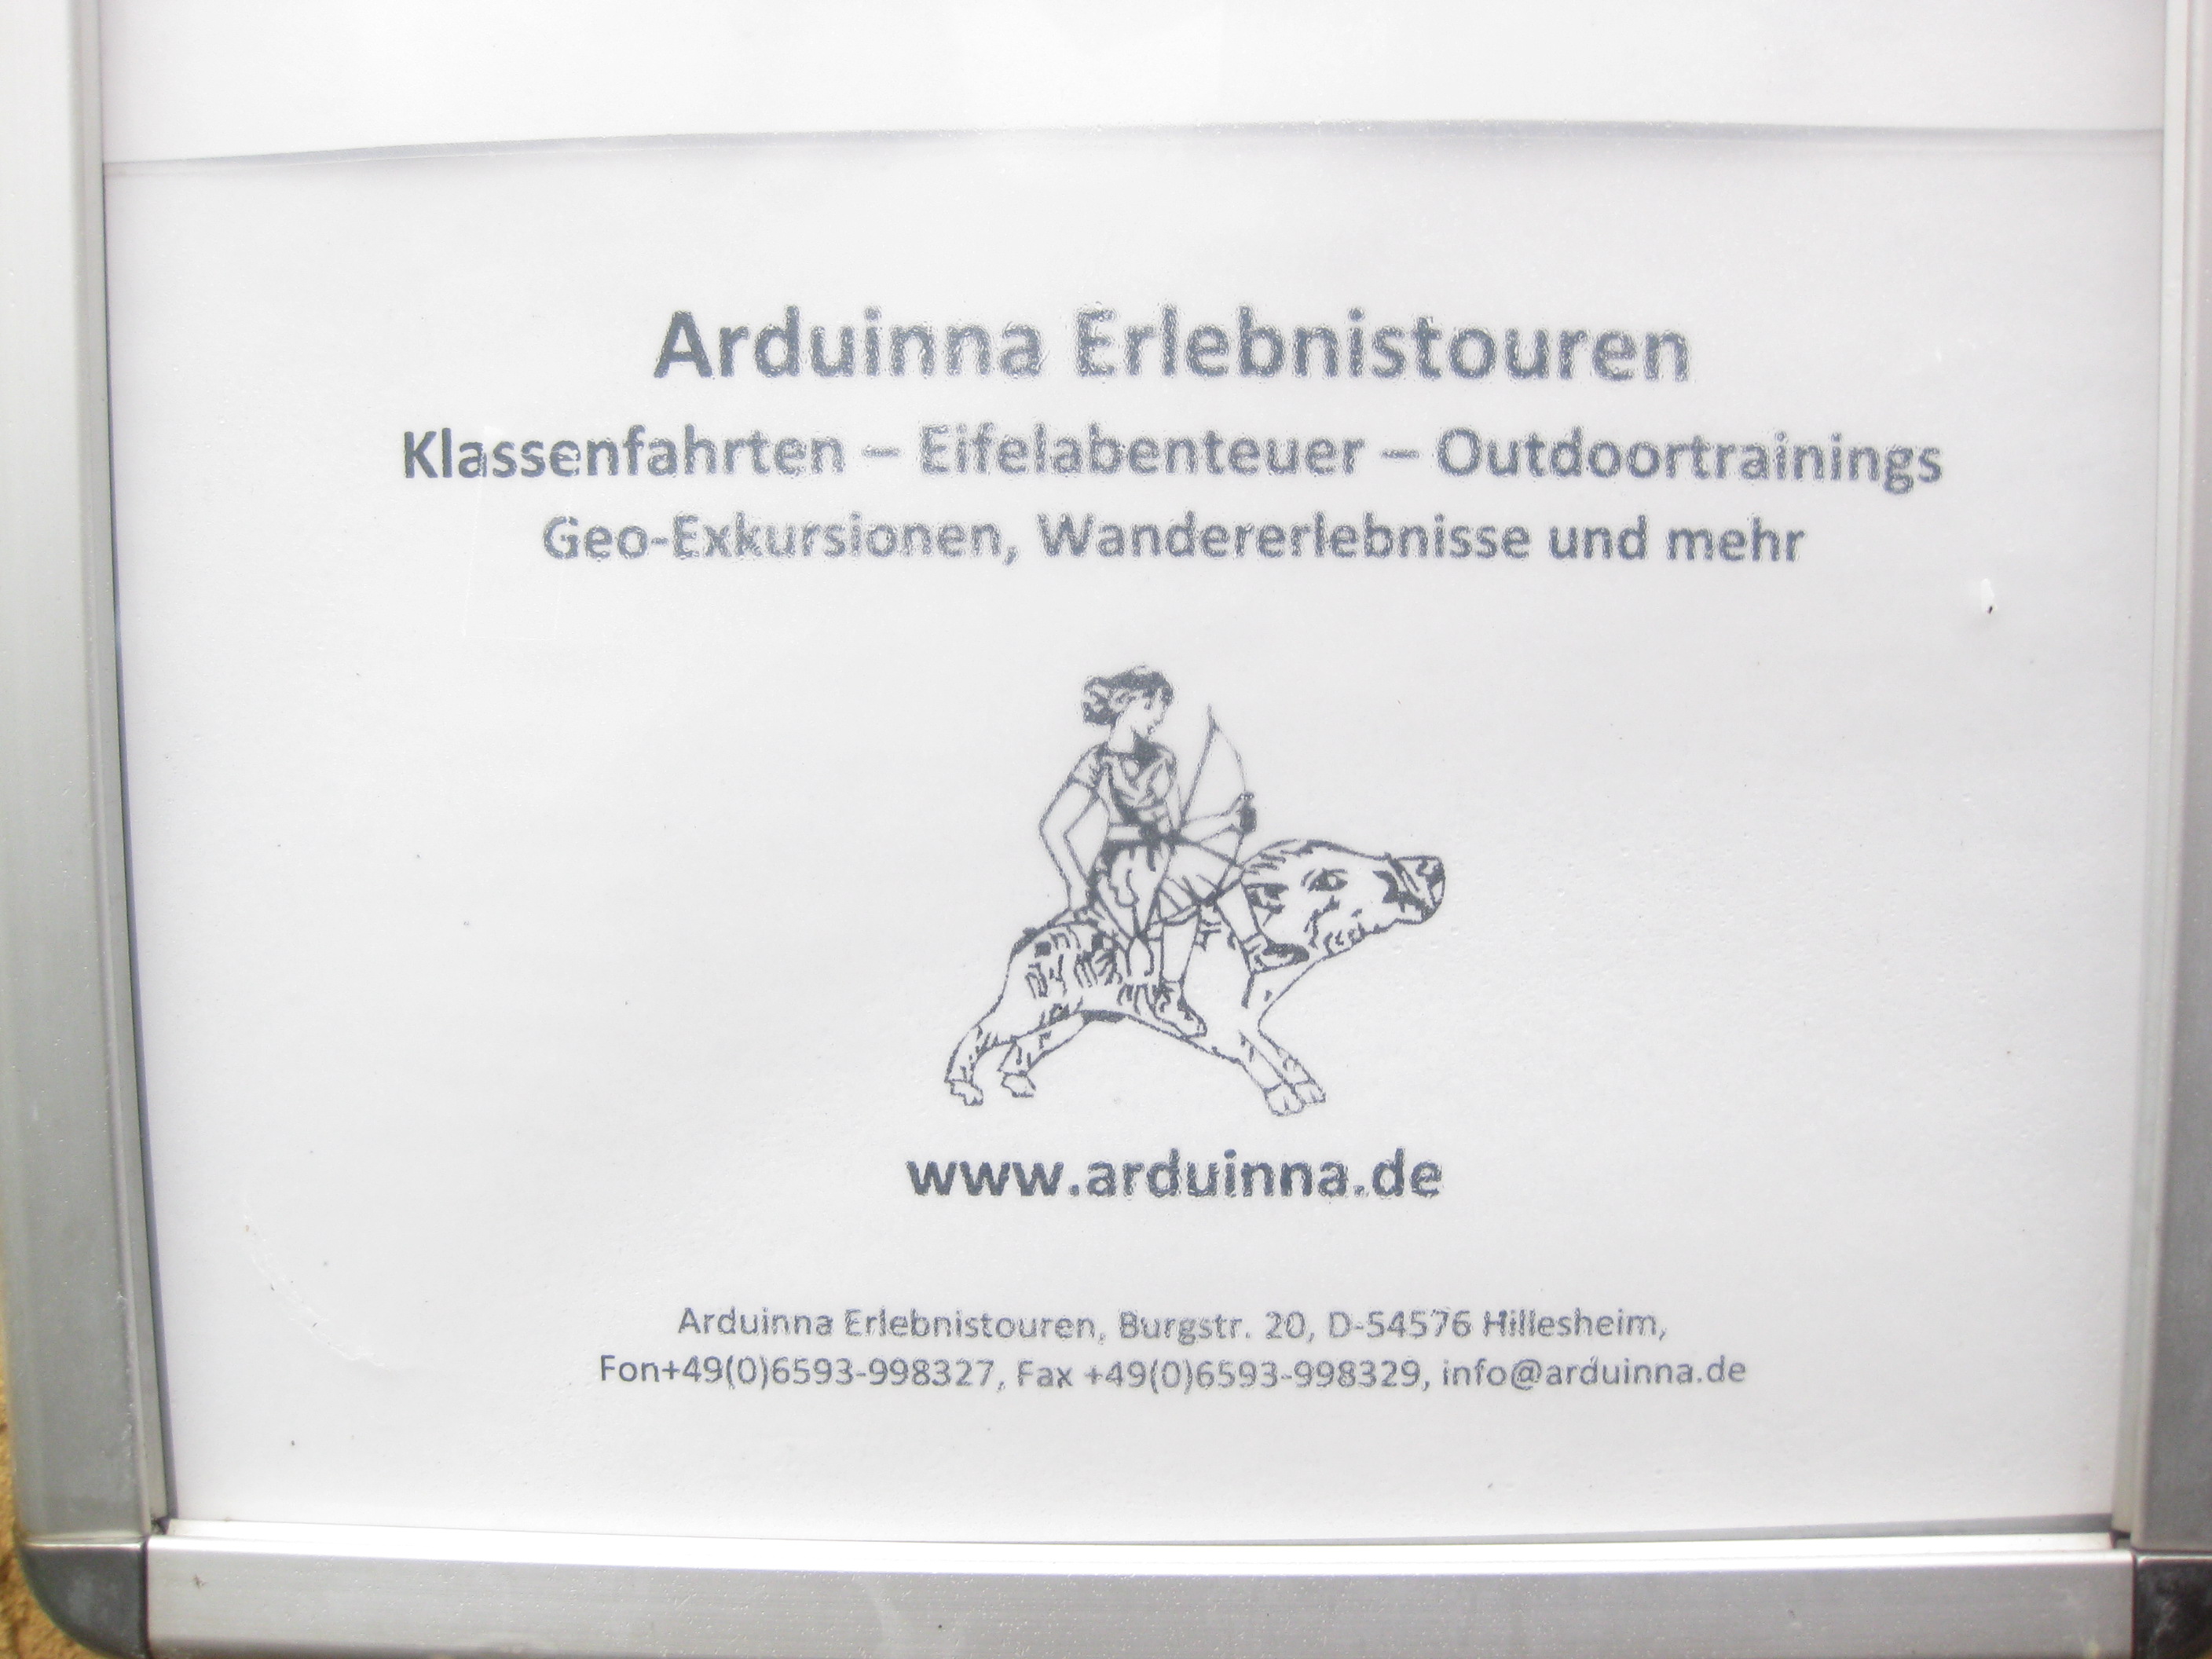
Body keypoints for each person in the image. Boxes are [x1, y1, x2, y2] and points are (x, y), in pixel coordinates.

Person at [1039, 668, 1306, 1038]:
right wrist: (1075, 884)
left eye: (1162, 708)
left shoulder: (1164, 758)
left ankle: (1250, 954)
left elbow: (1178, 833)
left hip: (1166, 856)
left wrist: (1229, 821)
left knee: (1220, 873)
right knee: (1187, 890)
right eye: (1152, 707)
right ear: (1127, 704)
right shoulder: (1097, 762)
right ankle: (1172, 994)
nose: (1159, 717)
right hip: (1123, 870)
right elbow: (1053, 829)